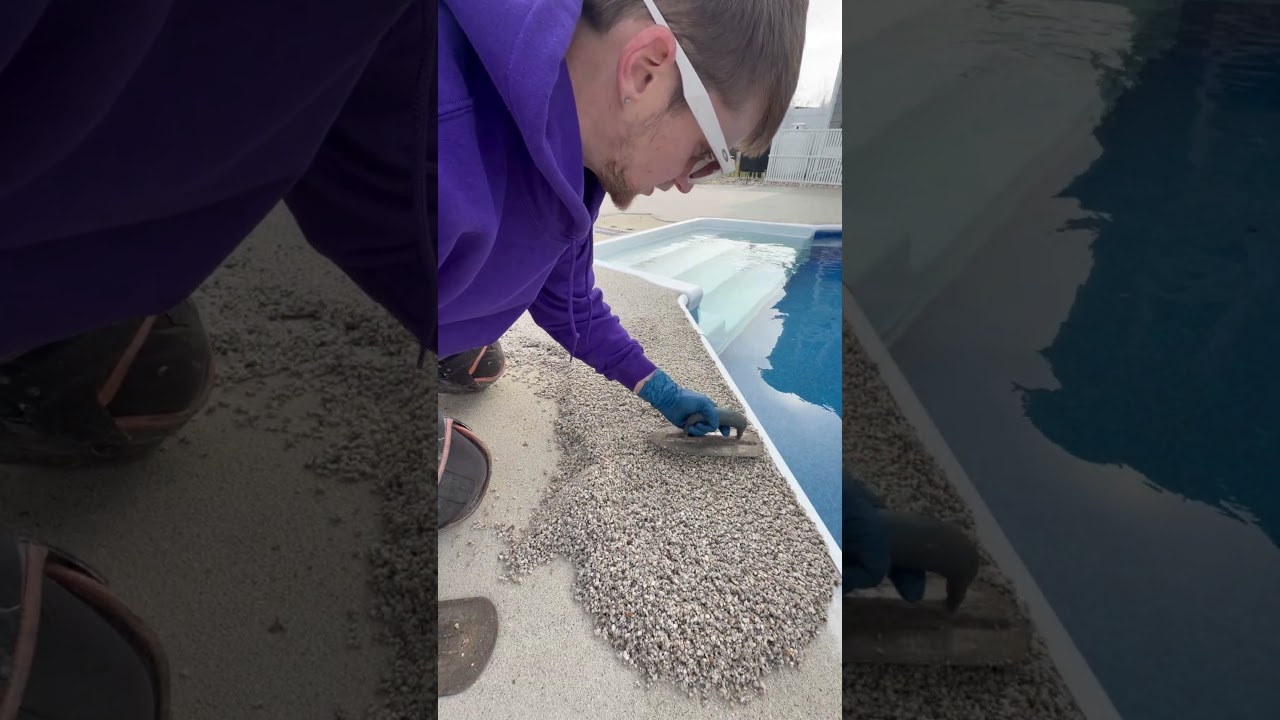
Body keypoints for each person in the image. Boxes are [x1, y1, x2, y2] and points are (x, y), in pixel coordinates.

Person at [434, 0, 810, 527]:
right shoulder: (435, 138)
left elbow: (569, 303)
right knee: (459, 475)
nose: (686, 182)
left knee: (479, 357)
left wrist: (661, 390)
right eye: (706, 153)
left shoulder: (579, 157)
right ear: (645, 69)